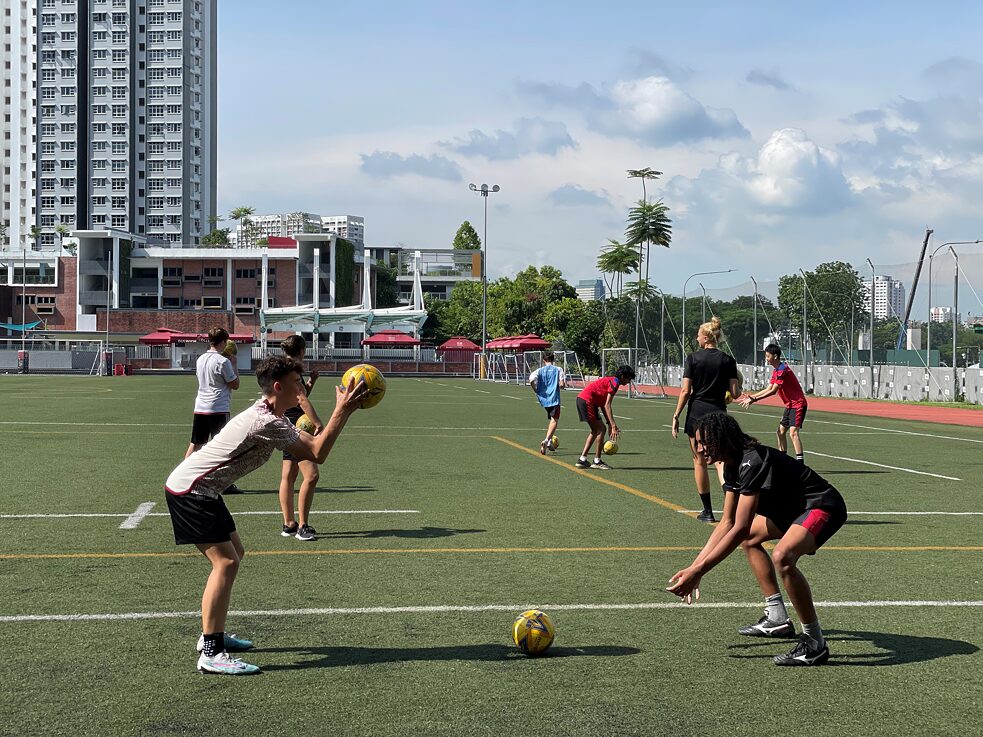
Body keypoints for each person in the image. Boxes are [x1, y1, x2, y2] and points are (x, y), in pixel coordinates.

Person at [164, 355, 368, 675]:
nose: (301, 387)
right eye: (296, 382)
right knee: (226, 562)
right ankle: (211, 651)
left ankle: (212, 633)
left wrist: (340, 411)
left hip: (201, 489)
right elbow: (318, 453)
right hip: (190, 491)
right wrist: (343, 410)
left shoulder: (272, 414)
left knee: (235, 555)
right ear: (278, 386)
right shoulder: (266, 421)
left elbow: (313, 443)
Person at [666, 412, 847, 667]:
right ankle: (777, 617)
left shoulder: (753, 461)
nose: (699, 449)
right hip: (792, 511)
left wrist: (700, 571)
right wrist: (695, 566)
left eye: (704, 442)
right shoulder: (730, 464)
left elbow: (739, 526)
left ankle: (814, 643)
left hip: (822, 505)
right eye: (697, 442)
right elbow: (726, 523)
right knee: (750, 540)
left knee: (782, 557)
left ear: (723, 438)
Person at [671, 317, 740, 522]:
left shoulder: (692, 359)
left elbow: (685, 391)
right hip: (719, 415)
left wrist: (676, 415)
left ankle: (708, 511)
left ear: (706, 337)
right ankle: (730, 507)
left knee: (699, 462)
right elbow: (735, 393)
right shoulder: (728, 360)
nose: (696, 338)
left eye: (699, 335)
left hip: (697, 415)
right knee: (720, 461)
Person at [278, 335, 324, 541]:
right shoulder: (294, 369)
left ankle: (289, 524)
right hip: (297, 426)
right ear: (302, 350)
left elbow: (297, 396)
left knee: (288, 475)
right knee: (312, 475)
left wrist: (311, 382)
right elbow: (302, 400)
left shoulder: (283, 367)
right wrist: (318, 424)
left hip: (284, 423)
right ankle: (303, 527)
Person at [186, 327, 242, 493]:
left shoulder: (201, 358)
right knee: (223, 447)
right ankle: (224, 484)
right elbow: (235, 384)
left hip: (200, 407)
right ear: (223, 342)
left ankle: (183, 476)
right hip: (218, 407)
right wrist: (234, 364)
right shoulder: (223, 361)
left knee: (196, 443)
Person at [738, 343, 808, 462]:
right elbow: (768, 388)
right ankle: (783, 459)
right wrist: (752, 396)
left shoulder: (783, 370)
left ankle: (800, 463)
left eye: (767, 356)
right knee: (780, 432)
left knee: (793, 433)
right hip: (790, 405)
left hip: (798, 404)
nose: (766, 359)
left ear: (775, 356)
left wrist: (754, 400)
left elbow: (773, 391)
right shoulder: (776, 371)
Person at [574, 365, 635, 470]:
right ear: (622, 376)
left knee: (595, 430)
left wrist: (609, 423)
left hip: (583, 400)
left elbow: (603, 404)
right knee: (601, 429)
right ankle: (597, 461)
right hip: (587, 401)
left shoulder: (612, 381)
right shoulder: (615, 383)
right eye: (628, 378)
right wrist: (613, 425)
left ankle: (582, 459)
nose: (629, 381)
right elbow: (607, 405)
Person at [529, 351, 566, 455]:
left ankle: (549, 442)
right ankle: (546, 440)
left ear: (543, 360)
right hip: (554, 398)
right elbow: (562, 384)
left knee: (552, 419)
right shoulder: (558, 369)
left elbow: (531, 379)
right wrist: (562, 386)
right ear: (553, 360)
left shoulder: (539, 370)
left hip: (543, 399)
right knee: (555, 420)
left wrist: (535, 390)